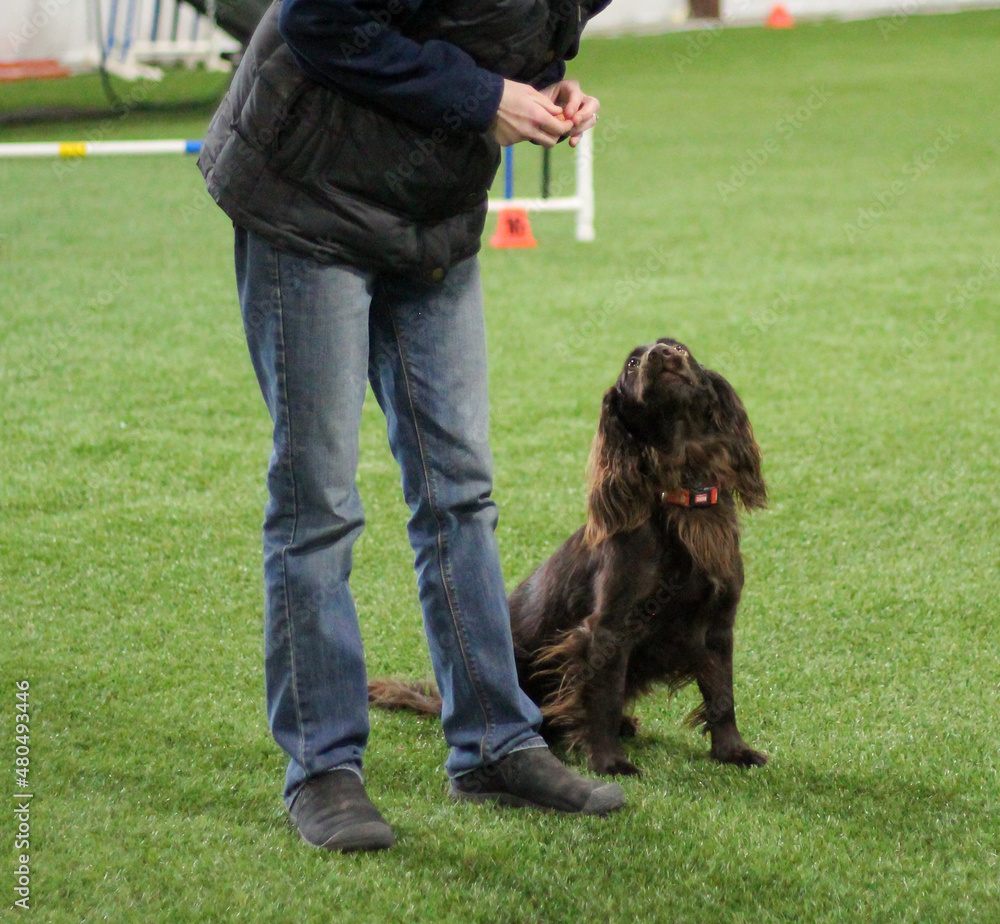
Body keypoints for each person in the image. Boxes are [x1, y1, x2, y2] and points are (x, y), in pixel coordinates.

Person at [198, 0, 621, 853]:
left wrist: (538, 91)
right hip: (307, 195)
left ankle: (495, 745)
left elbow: (502, 28)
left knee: (459, 490)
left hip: (429, 210)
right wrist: (480, 98)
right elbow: (320, 22)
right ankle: (321, 767)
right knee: (316, 500)